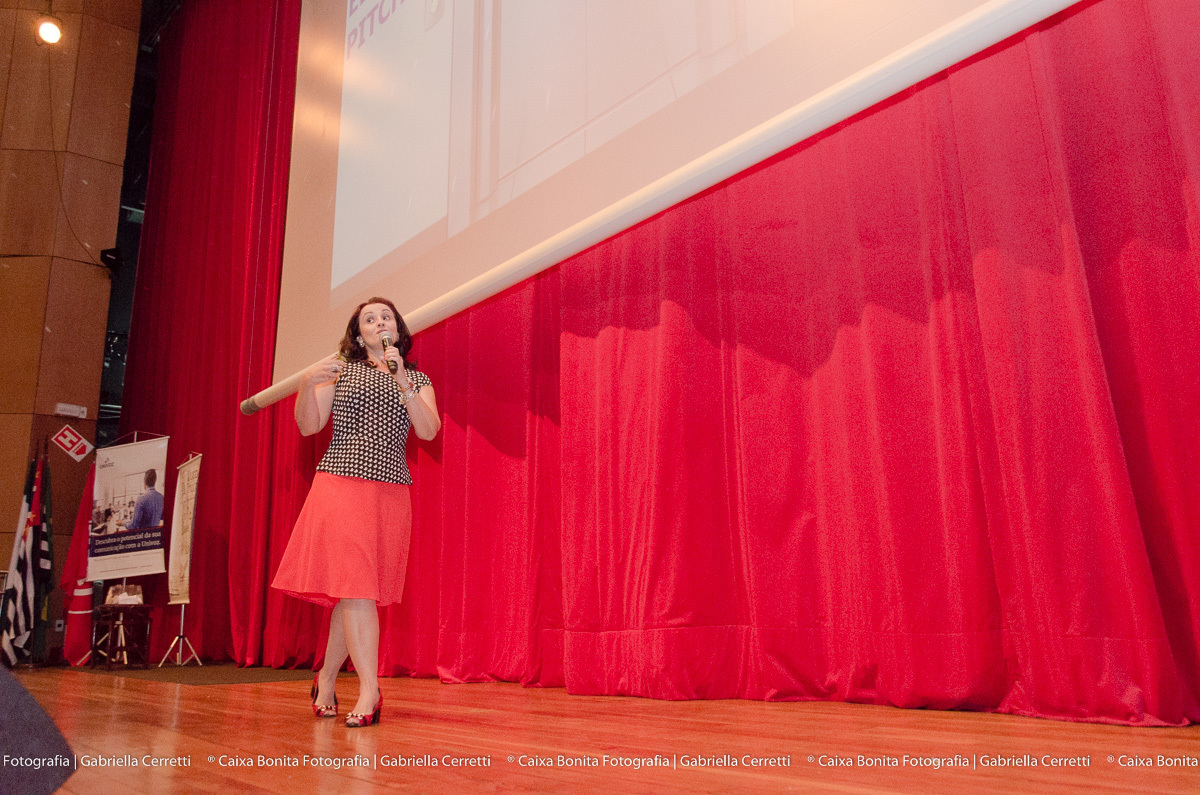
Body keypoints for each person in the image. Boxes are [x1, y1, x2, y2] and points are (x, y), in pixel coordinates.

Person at [271, 297, 439, 728]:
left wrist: (402, 379)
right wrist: (307, 384)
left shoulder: (416, 378)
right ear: (358, 332)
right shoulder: (341, 370)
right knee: (359, 590)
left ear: (397, 330)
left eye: (386, 317)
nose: (378, 322)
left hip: (390, 490)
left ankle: (326, 678)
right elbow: (309, 425)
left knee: (353, 592)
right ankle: (370, 690)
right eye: (369, 318)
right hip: (341, 484)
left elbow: (427, 430)